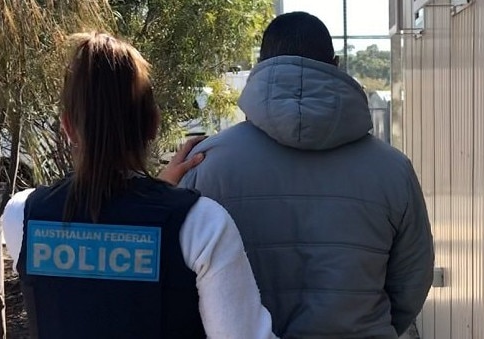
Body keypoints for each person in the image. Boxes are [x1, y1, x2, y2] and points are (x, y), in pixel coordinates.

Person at [1, 31, 277, 339]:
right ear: (153, 123)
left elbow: (98, 282)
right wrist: (163, 201)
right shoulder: (201, 224)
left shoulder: (22, 215)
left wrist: (156, 197)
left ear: (67, 127)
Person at [179, 12, 434, 339]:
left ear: (260, 68)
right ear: (337, 64)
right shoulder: (393, 169)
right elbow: (411, 281)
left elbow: (181, 281)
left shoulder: (204, 164)